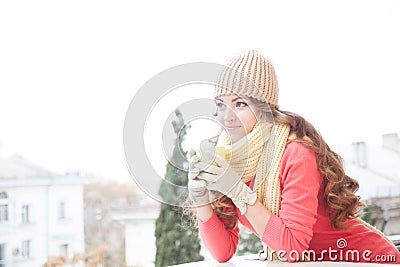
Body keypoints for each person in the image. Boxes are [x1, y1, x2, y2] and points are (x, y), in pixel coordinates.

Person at [187, 50, 400, 263]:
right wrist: (200, 198)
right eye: (221, 105)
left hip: (366, 260)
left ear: (264, 107)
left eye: (240, 104)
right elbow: (222, 252)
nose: (227, 117)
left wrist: (237, 190)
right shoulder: (231, 157)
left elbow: (291, 248)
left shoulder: (296, 153)